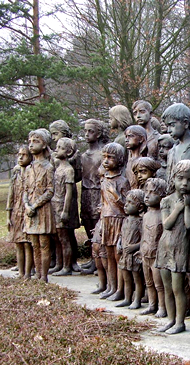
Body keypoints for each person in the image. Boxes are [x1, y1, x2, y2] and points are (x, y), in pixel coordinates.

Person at [156, 160, 190, 334]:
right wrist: (177, 209)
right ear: (173, 178)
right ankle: (170, 319)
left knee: (177, 288)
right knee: (167, 287)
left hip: (180, 248)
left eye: (189, 180)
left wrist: (188, 206)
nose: (184, 183)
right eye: (181, 178)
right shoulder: (166, 201)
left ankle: (180, 322)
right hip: (165, 246)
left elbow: (189, 224)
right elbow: (166, 224)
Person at [98, 143, 130, 301]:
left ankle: (120, 289)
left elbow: (128, 206)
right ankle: (111, 286)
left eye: (110, 158)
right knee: (108, 255)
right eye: (104, 157)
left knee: (118, 257)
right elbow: (102, 201)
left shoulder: (123, 181)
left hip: (118, 220)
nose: (106, 161)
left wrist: (116, 194)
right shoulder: (103, 179)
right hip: (106, 220)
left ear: (119, 161)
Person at [23, 128, 55, 283]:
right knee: (34, 244)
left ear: (44, 145)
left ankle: (44, 276)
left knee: (44, 244)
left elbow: (50, 191)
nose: (31, 145)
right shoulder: (28, 168)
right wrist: (26, 205)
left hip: (42, 211)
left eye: (35, 141)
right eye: (30, 141)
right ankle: (37, 274)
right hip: (30, 211)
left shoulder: (48, 167)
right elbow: (24, 189)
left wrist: (34, 205)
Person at [80, 119, 110, 275]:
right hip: (85, 193)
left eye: (90, 131)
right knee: (87, 224)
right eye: (85, 131)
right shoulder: (84, 155)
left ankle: (100, 259)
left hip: (98, 192)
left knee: (97, 227)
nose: (86, 134)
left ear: (98, 133)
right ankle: (93, 259)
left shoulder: (103, 153)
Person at [51, 138, 81, 276]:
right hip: (55, 204)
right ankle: (59, 264)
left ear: (68, 152)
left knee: (65, 238)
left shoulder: (68, 170)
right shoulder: (58, 167)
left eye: (60, 147)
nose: (56, 150)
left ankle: (67, 266)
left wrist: (65, 211)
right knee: (57, 238)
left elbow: (69, 193)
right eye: (56, 147)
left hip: (63, 206)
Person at [141, 178, 168, 317]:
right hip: (145, 254)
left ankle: (162, 307)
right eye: (146, 192)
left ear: (162, 196)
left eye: (152, 193)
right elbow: (143, 235)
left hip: (157, 256)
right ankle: (152, 305)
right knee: (149, 282)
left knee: (159, 285)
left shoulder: (162, 215)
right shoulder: (145, 215)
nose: (147, 196)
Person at [6, 145, 33, 279]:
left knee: (28, 244)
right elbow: (10, 195)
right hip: (16, 211)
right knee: (18, 244)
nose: (20, 157)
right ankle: (21, 272)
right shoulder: (16, 172)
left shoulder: (31, 172)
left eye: (24, 155)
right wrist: (8, 215)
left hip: (27, 211)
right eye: (19, 154)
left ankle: (28, 273)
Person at [116, 189, 145, 309]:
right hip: (124, 255)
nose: (126, 205)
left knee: (137, 279)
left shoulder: (140, 222)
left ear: (140, 207)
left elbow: (144, 239)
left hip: (134, 255)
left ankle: (137, 300)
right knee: (126, 278)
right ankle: (127, 298)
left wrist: (135, 246)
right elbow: (121, 235)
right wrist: (119, 244)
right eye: (126, 202)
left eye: (130, 203)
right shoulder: (125, 220)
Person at [124, 125, 149, 189]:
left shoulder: (145, 162)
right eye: (126, 136)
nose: (126, 140)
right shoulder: (127, 161)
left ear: (141, 139)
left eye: (131, 136)